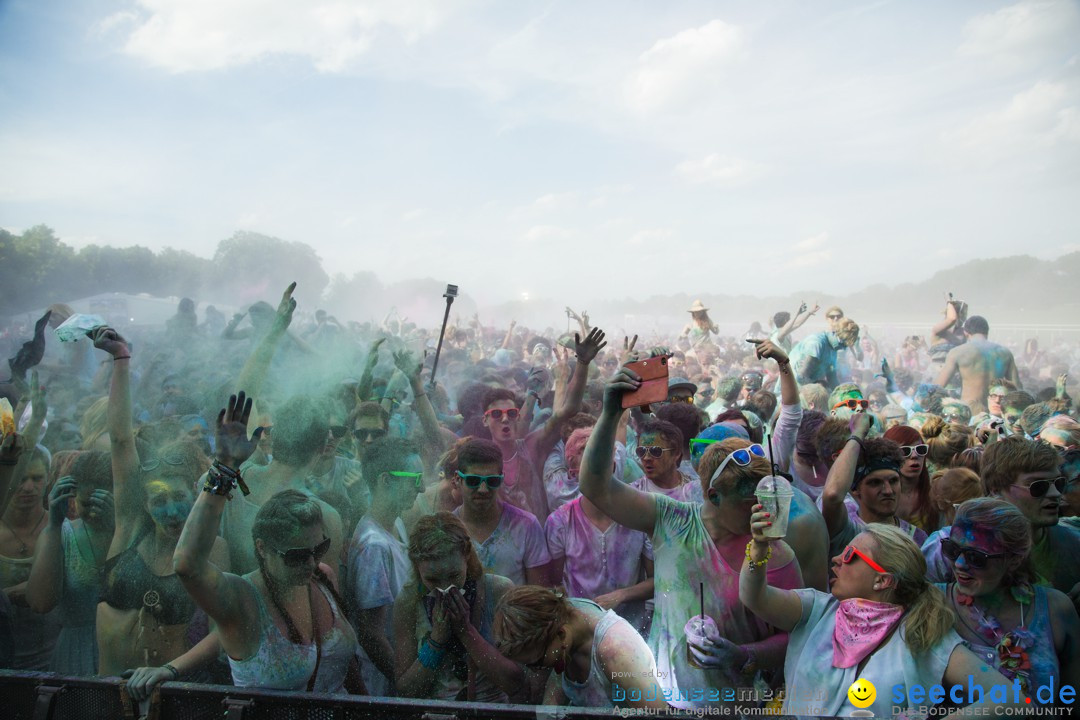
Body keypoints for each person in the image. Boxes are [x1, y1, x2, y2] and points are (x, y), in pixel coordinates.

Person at [579, 363, 803, 709]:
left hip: (734, 706)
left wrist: (743, 654)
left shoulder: (776, 553)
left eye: (766, 500)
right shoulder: (671, 520)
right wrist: (611, 413)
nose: (763, 511)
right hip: (662, 701)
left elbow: (796, 633)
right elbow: (595, 486)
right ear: (714, 497)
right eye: (750, 502)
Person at [740, 518, 1029, 716]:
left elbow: (1013, 700)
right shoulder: (816, 610)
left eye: (850, 555)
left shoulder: (922, 635)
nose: (836, 559)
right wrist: (758, 550)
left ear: (882, 581)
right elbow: (755, 597)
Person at [174, 392, 360, 693]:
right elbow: (190, 566)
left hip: (223, 632)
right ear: (323, 444)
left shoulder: (234, 480)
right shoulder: (324, 516)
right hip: (250, 646)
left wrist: (225, 466)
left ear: (271, 436)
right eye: (297, 555)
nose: (311, 562)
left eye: (318, 550)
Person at [91, 327, 227, 685]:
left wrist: (166, 672)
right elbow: (121, 441)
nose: (170, 511)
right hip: (111, 695)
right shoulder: (130, 531)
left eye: (180, 498)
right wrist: (121, 359)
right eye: (158, 500)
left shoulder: (211, 547)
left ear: (195, 496)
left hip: (176, 695)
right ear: (145, 503)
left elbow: (224, 628)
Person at [937, 498, 1080, 700]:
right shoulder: (934, 604)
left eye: (976, 557)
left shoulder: (1056, 609)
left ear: (1014, 559)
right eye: (952, 550)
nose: (959, 564)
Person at [924, 437, 1080, 603]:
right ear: (996, 490)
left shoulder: (1074, 542)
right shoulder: (947, 548)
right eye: (1038, 486)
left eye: (1059, 483)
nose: (1055, 493)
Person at [392, 512, 526, 703]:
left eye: (454, 575)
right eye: (432, 579)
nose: (445, 588)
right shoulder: (408, 602)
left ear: (467, 555)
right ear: (416, 565)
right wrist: (437, 641)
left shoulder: (498, 591)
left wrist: (466, 631)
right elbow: (406, 691)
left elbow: (517, 682)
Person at [480, 329, 606, 524]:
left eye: (511, 413)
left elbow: (569, 409)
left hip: (539, 543)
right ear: (485, 420)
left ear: (518, 416)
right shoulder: (478, 458)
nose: (505, 419)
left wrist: (582, 364)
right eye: (496, 414)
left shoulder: (532, 446)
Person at [545, 428, 654, 635]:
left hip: (633, 630)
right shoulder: (560, 521)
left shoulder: (639, 515)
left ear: (614, 465)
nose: (599, 473)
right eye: (590, 467)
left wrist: (622, 595)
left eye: (605, 465)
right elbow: (554, 582)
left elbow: (657, 580)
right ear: (573, 472)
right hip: (582, 631)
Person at [493, 585, 667, 709]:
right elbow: (558, 669)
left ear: (561, 634)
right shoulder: (563, 614)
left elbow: (657, 715)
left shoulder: (617, 652)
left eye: (536, 663)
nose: (535, 670)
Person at [346, 438, 423, 696]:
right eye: (414, 478)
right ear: (385, 481)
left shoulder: (396, 524)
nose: (421, 488)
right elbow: (371, 634)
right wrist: (407, 684)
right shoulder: (375, 547)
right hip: (382, 686)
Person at [26, 451, 114, 675]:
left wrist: (116, 526)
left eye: (101, 503)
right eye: (86, 503)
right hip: (76, 654)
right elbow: (40, 603)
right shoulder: (61, 534)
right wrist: (54, 524)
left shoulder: (134, 531)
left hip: (123, 649)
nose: (93, 512)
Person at [820, 413, 927, 560]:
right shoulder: (847, 530)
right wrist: (858, 433)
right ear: (855, 489)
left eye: (894, 481)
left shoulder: (916, 537)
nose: (888, 491)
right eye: (875, 483)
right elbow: (832, 495)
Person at [452, 438, 551, 586]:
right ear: (457, 480)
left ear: (501, 480)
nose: (483, 489)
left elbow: (539, 597)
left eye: (492, 481)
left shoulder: (527, 526)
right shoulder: (447, 530)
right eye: (473, 481)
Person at [0, 444, 61, 670]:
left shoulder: (60, 528)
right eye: (21, 478)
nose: (28, 487)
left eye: (37, 478)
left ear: (48, 479)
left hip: (49, 655)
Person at [935, 316, 1021, 414]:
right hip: (995, 411)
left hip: (968, 412)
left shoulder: (958, 352)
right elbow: (1017, 387)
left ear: (966, 332)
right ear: (987, 332)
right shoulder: (1004, 353)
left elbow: (937, 386)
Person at [884, 425, 936, 533]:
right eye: (905, 451)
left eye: (920, 449)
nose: (914, 455)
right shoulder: (879, 495)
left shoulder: (935, 493)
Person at [786, 318, 859, 390]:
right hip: (791, 389)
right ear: (834, 332)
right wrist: (819, 387)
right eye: (842, 343)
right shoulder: (817, 344)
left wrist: (841, 393)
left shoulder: (833, 349)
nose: (842, 348)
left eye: (845, 346)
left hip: (806, 388)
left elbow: (832, 379)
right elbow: (801, 377)